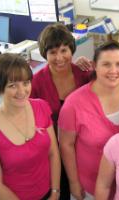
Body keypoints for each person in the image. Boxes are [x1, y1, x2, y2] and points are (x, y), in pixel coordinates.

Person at [58, 41, 119, 199]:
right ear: (95, 65)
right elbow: (66, 145)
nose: (113, 71)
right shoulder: (74, 104)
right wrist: (74, 183)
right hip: (91, 187)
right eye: (106, 64)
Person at [0, 53, 60, 200]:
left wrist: (55, 192)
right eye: (12, 85)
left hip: (49, 192)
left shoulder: (41, 107)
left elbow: (53, 153)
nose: (22, 91)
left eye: (25, 83)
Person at [30, 23, 90, 200]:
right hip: (53, 151)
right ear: (44, 54)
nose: (60, 58)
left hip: (82, 146)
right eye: (52, 53)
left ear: (72, 50)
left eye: (64, 50)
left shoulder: (83, 74)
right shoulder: (36, 82)